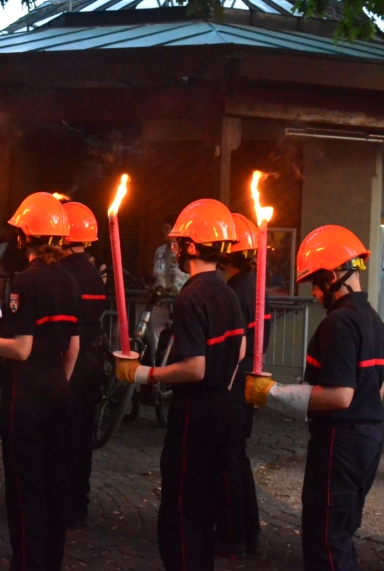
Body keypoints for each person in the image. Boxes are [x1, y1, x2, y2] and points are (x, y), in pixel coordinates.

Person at [246, 225, 384, 571]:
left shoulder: (339, 324)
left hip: (340, 442)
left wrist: (272, 394)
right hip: (367, 439)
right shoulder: (373, 320)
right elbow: (378, 389)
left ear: (333, 276)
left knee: (326, 538)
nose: (314, 291)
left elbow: (340, 396)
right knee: (340, 531)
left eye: (316, 281)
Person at [116, 199, 246, 571]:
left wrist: (144, 374)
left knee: (182, 507)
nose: (175, 249)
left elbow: (194, 368)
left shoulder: (191, 296)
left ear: (191, 246)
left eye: (179, 242)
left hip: (195, 412)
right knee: (204, 505)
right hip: (222, 407)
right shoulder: (229, 293)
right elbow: (239, 352)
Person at [0, 192, 80, 571]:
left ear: (25, 236)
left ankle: (26, 562)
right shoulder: (69, 281)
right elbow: (72, 348)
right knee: (54, 484)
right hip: (58, 389)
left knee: (25, 488)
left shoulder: (26, 281)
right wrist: (57, 384)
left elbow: (21, 348)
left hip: (25, 395)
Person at [215, 212, 270, 559]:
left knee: (228, 460)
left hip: (233, 384)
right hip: (247, 381)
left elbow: (232, 346)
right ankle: (248, 534)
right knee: (238, 457)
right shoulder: (255, 286)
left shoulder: (234, 291)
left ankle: (232, 536)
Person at [59, 201, 107, 530]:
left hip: (70, 358)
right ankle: (79, 502)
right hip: (93, 359)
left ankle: (63, 502)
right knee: (82, 435)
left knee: (62, 434)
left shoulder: (64, 274)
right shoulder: (93, 274)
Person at [150, 214, 188, 348]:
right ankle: (156, 359)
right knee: (156, 338)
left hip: (179, 303)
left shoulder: (187, 252)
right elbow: (155, 274)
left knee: (178, 339)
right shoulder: (159, 251)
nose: (163, 231)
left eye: (167, 228)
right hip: (160, 302)